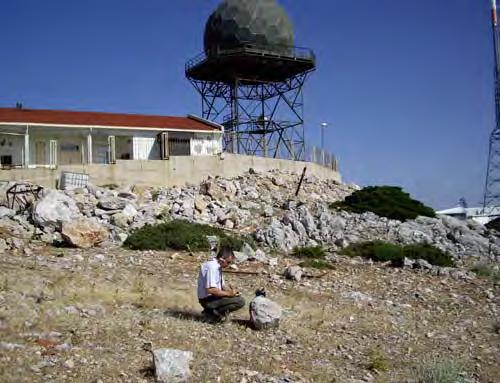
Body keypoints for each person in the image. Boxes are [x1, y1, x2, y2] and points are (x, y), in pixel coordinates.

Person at [197, 245, 245, 322]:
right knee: (240, 301)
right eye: (228, 262)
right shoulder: (212, 267)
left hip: (213, 298)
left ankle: (212, 313)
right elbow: (211, 290)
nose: (228, 265)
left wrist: (231, 292)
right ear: (222, 259)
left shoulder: (218, 266)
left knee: (237, 298)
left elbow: (221, 286)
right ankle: (211, 313)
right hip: (208, 299)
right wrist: (229, 294)